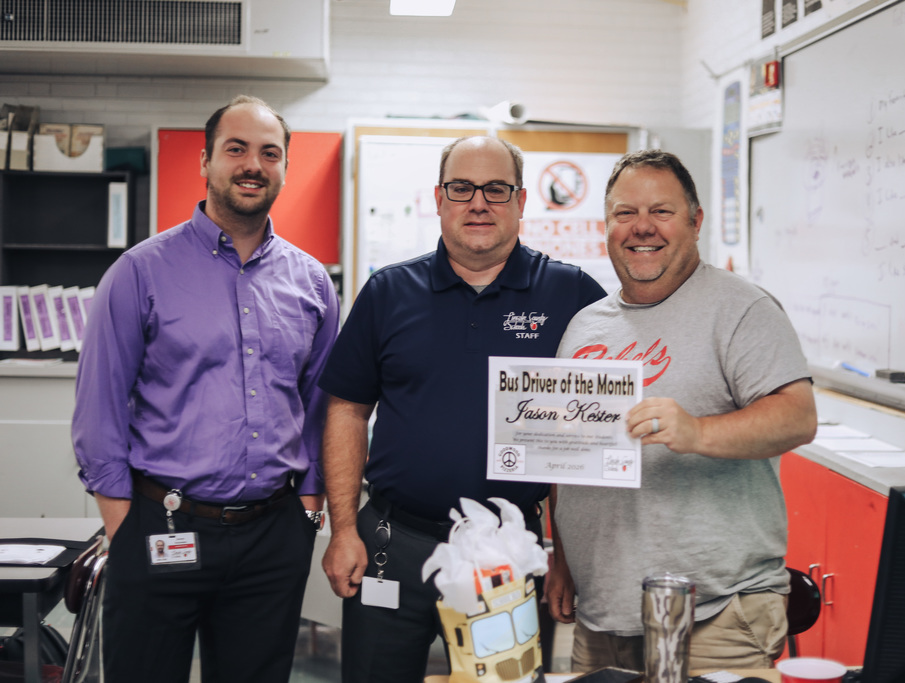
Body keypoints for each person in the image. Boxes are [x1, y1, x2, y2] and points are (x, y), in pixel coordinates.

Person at [317, 135, 606, 683]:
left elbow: (583, 444)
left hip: (508, 553)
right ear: (439, 198)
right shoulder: (387, 292)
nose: (479, 202)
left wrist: (564, 554)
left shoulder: (572, 298)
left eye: (496, 189)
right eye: (462, 188)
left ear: (521, 201)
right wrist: (343, 529)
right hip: (390, 545)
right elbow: (347, 411)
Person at [72, 95, 341, 683]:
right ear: (206, 161)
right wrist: (125, 521)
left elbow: (322, 404)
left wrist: (309, 506)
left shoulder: (313, 283)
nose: (253, 164)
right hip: (161, 524)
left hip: (273, 535)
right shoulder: (140, 272)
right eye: (236, 149)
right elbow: (99, 408)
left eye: (270, 153)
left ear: (285, 168)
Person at [545, 149, 817, 673]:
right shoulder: (584, 326)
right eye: (625, 213)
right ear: (606, 225)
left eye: (661, 211)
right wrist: (562, 557)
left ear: (695, 222)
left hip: (716, 615)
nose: (641, 228)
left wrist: (695, 430)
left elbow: (797, 417)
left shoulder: (742, 308)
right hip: (602, 615)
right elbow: (564, 454)